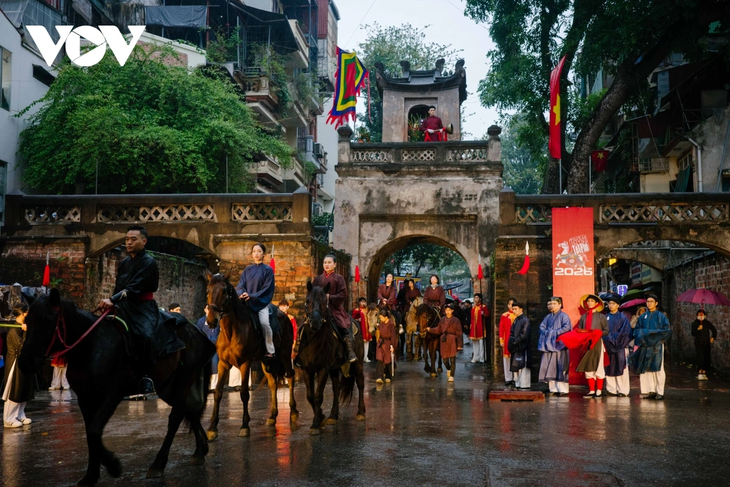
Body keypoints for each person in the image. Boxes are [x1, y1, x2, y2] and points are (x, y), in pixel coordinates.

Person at [98, 225, 185, 394]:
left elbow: (135, 287)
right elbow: (119, 287)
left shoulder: (148, 262)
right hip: (123, 306)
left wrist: (113, 300)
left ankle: (145, 376)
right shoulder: (124, 263)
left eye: (133, 239)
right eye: (127, 239)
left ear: (144, 241)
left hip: (142, 308)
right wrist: (112, 302)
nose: (129, 243)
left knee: (145, 335)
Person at [312, 254, 357, 362]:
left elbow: (343, 294)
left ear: (335, 264)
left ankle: (349, 351)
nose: (326, 265)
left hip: (334, 308)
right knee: (307, 324)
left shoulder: (339, 278)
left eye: (329, 262)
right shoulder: (317, 279)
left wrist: (330, 297)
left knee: (342, 324)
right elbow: (312, 293)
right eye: (325, 262)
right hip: (319, 308)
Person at [235, 242, 276, 359]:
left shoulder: (268, 270)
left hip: (260, 303)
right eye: (254, 251)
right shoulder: (247, 270)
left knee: (264, 323)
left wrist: (252, 296)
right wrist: (241, 294)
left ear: (263, 254)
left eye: (259, 251)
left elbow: (267, 288)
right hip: (246, 303)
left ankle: (270, 349)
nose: (256, 254)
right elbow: (240, 285)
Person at [629, 294, 671, 400]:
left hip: (656, 345)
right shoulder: (642, 316)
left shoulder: (661, 317)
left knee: (658, 368)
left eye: (651, 301)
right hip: (645, 345)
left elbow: (666, 331)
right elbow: (637, 330)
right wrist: (643, 335)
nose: (649, 303)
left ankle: (659, 391)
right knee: (646, 367)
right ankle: (649, 390)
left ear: (656, 303)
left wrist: (651, 334)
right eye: (647, 301)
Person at [2, 303, 34, 428]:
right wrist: (26, 333)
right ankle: (9, 419)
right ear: (22, 314)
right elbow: (21, 348)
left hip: (24, 362)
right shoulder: (13, 330)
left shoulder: (23, 327)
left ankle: (20, 414)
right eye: (27, 313)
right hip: (15, 363)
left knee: (23, 389)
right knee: (14, 390)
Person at [575, 294, 609, 399]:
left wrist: (597, 333)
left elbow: (606, 331)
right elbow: (579, 330)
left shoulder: (601, 317)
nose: (589, 303)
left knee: (599, 366)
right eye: (588, 301)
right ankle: (591, 390)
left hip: (597, 343)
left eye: (592, 301)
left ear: (596, 303)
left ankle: (599, 390)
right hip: (586, 344)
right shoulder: (583, 317)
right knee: (588, 367)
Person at [538, 296, 572, 396]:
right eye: (549, 304)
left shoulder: (564, 316)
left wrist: (553, 332)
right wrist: (547, 332)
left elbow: (567, 328)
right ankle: (552, 388)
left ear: (560, 305)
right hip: (549, 344)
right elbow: (541, 327)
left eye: (554, 304)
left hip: (559, 345)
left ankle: (563, 389)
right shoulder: (548, 317)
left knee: (560, 365)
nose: (551, 306)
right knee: (549, 366)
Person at [603, 293, 632, 396]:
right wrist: (608, 339)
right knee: (609, 366)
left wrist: (613, 339)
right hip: (608, 346)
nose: (611, 305)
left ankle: (622, 390)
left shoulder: (623, 318)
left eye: (613, 303)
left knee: (621, 366)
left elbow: (625, 332)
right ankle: (611, 389)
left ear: (618, 305)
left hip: (620, 346)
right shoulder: (605, 317)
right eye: (609, 303)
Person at [426, 303, 463, 382]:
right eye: (446, 310)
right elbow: (438, 329)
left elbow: (459, 333)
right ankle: (448, 369)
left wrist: (459, 344)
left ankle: (452, 375)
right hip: (444, 341)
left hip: (452, 340)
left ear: (452, 311)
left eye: (449, 310)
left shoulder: (456, 320)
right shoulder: (442, 319)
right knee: (445, 360)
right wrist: (430, 330)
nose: (448, 312)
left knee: (452, 359)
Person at [196, 305, 220, 390]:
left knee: (214, 364)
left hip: (214, 346)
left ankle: (214, 386)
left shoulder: (217, 320)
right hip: (205, 346)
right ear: (205, 310)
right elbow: (198, 332)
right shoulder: (201, 321)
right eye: (208, 309)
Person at [508, 301, 531, 390]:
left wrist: (516, 341)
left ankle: (524, 384)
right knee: (516, 365)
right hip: (516, 345)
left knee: (523, 364)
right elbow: (512, 332)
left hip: (523, 346)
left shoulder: (525, 320)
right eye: (513, 309)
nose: (514, 311)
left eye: (515, 309)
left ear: (521, 309)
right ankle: (518, 383)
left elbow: (524, 334)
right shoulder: (516, 319)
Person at [692, 310, 717, 381]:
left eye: (702, 315)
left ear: (705, 316)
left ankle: (704, 372)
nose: (701, 316)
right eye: (699, 315)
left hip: (706, 343)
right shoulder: (695, 323)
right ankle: (700, 371)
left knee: (706, 358)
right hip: (698, 343)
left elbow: (714, 330)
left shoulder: (707, 323)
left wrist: (713, 337)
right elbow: (693, 333)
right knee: (700, 357)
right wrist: (698, 329)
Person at [375, 309, 396, 383]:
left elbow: (393, 336)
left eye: (381, 317)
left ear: (386, 317)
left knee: (387, 360)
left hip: (388, 343)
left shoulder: (391, 324)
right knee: (379, 358)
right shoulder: (381, 323)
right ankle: (379, 376)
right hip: (381, 342)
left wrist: (393, 346)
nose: (380, 319)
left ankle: (388, 376)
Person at [499, 297, 516, 387]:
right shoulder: (504, 315)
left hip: (516, 341)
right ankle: (508, 378)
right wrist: (501, 340)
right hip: (506, 340)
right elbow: (501, 329)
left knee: (516, 359)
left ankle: (515, 378)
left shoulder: (518, 315)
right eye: (509, 304)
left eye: (512, 304)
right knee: (507, 360)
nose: (511, 306)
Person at [352, 297, 372, 363]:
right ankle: (361, 357)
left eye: (364, 301)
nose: (363, 303)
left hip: (367, 329)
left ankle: (365, 357)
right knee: (361, 344)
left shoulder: (367, 310)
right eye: (362, 301)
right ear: (359, 302)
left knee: (367, 343)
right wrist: (358, 320)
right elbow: (352, 319)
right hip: (361, 329)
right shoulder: (357, 310)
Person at [469, 294, 488, 363]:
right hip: (474, 327)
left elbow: (487, 315)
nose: (475, 299)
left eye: (477, 298)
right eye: (475, 298)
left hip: (481, 327)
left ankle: (482, 358)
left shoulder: (483, 307)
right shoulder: (473, 308)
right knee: (475, 344)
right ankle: (475, 357)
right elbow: (471, 318)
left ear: (480, 299)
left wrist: (484, 314)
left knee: (481, 344)